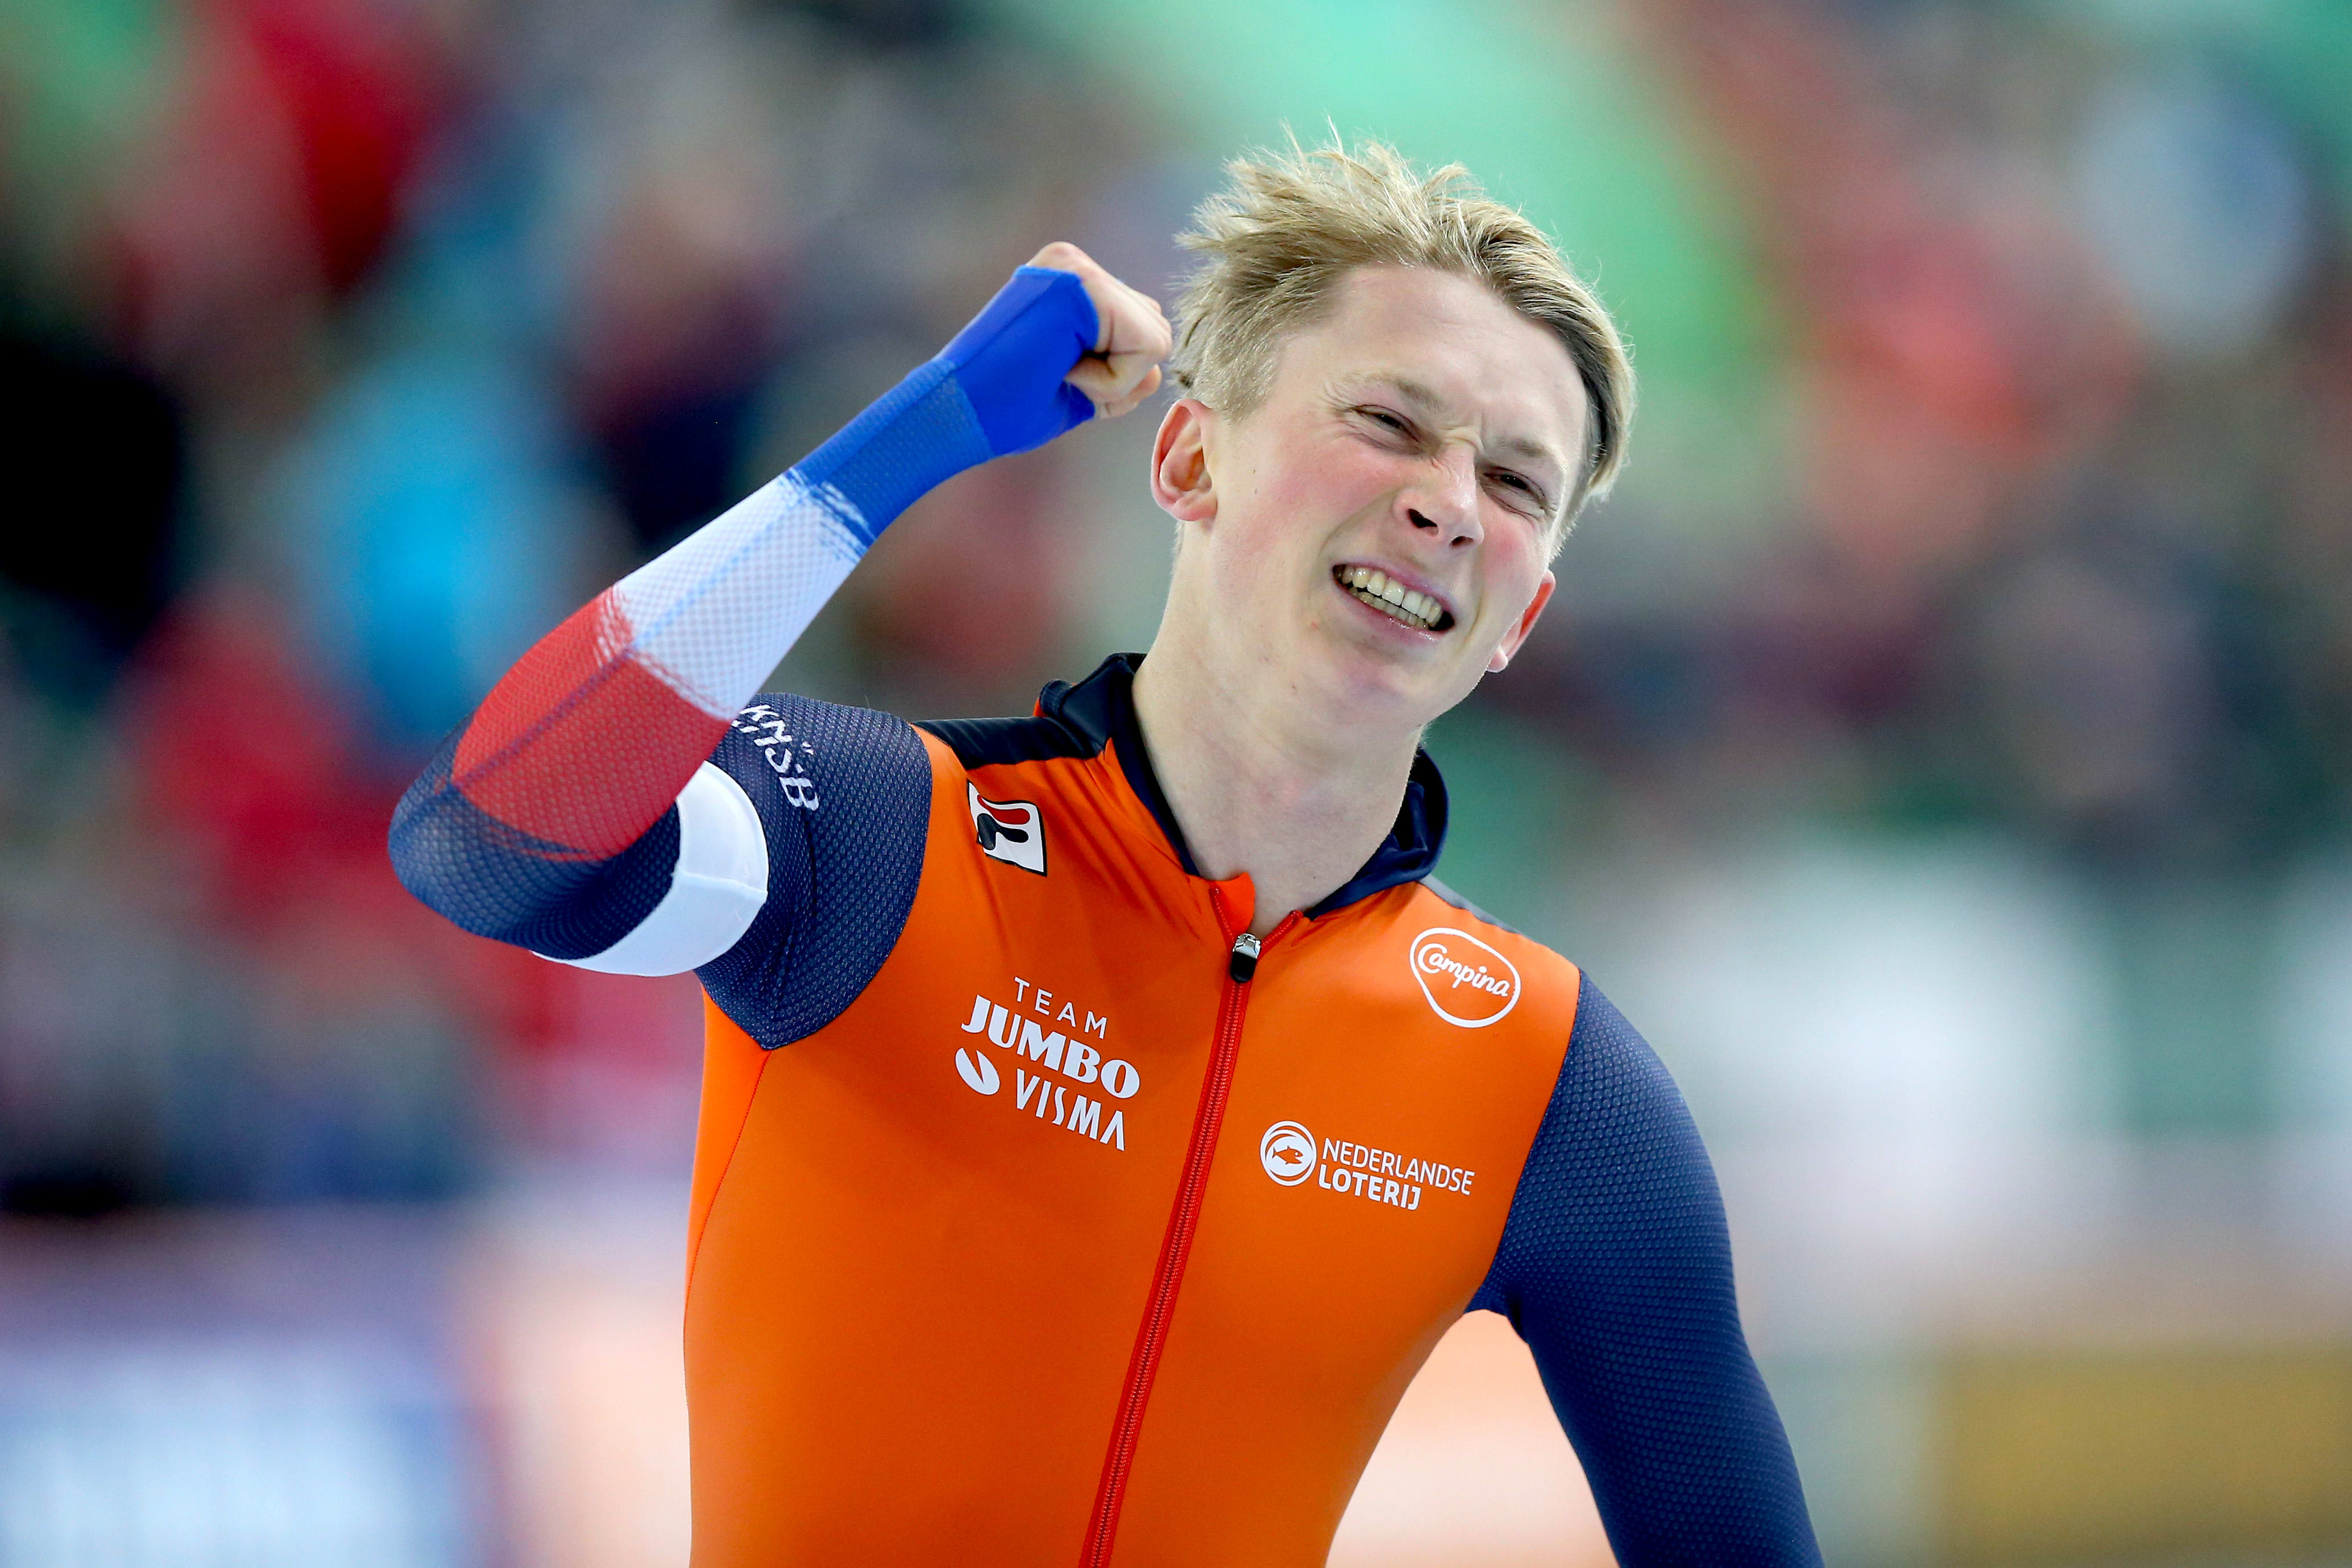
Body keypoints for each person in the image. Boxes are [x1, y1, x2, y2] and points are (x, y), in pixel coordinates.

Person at [392, 141, 1821, 1567]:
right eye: (1389, 420)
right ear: (1189, 457)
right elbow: (488, 840)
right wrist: (919, 433)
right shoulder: (873, 838)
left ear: (1522, 616)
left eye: (1513, 480)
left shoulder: (1542, 1077)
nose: (1449, 501)